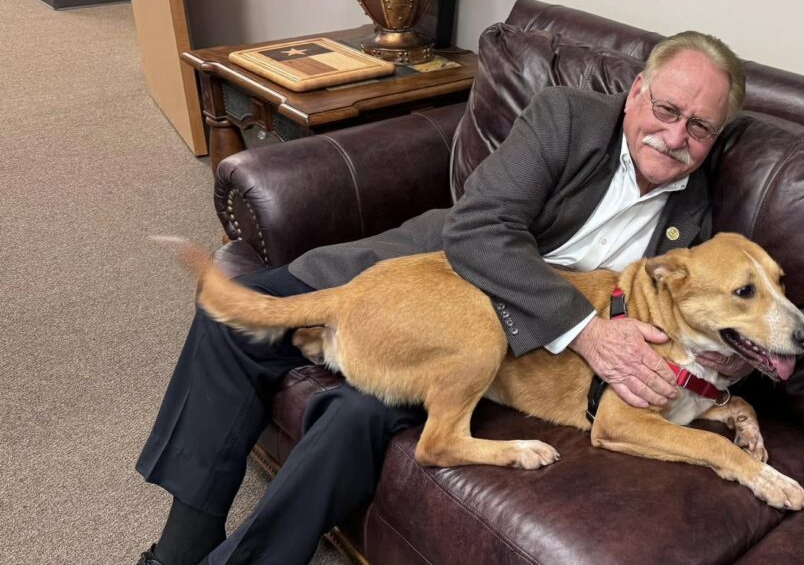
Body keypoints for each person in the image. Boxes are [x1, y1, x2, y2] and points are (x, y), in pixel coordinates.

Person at [135, 31, 749, 564]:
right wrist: (585, 328)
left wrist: (728, 369)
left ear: (716, 135)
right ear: (638, 90)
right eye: (666, 108)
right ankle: (182, 549)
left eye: (699, 127)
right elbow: (479, 229)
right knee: (232, 315)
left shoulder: (694, 228)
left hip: (502, 354)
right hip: (423, 276)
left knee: (357, 420)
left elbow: (696, 323)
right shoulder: (568, 118)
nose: (674, 135)